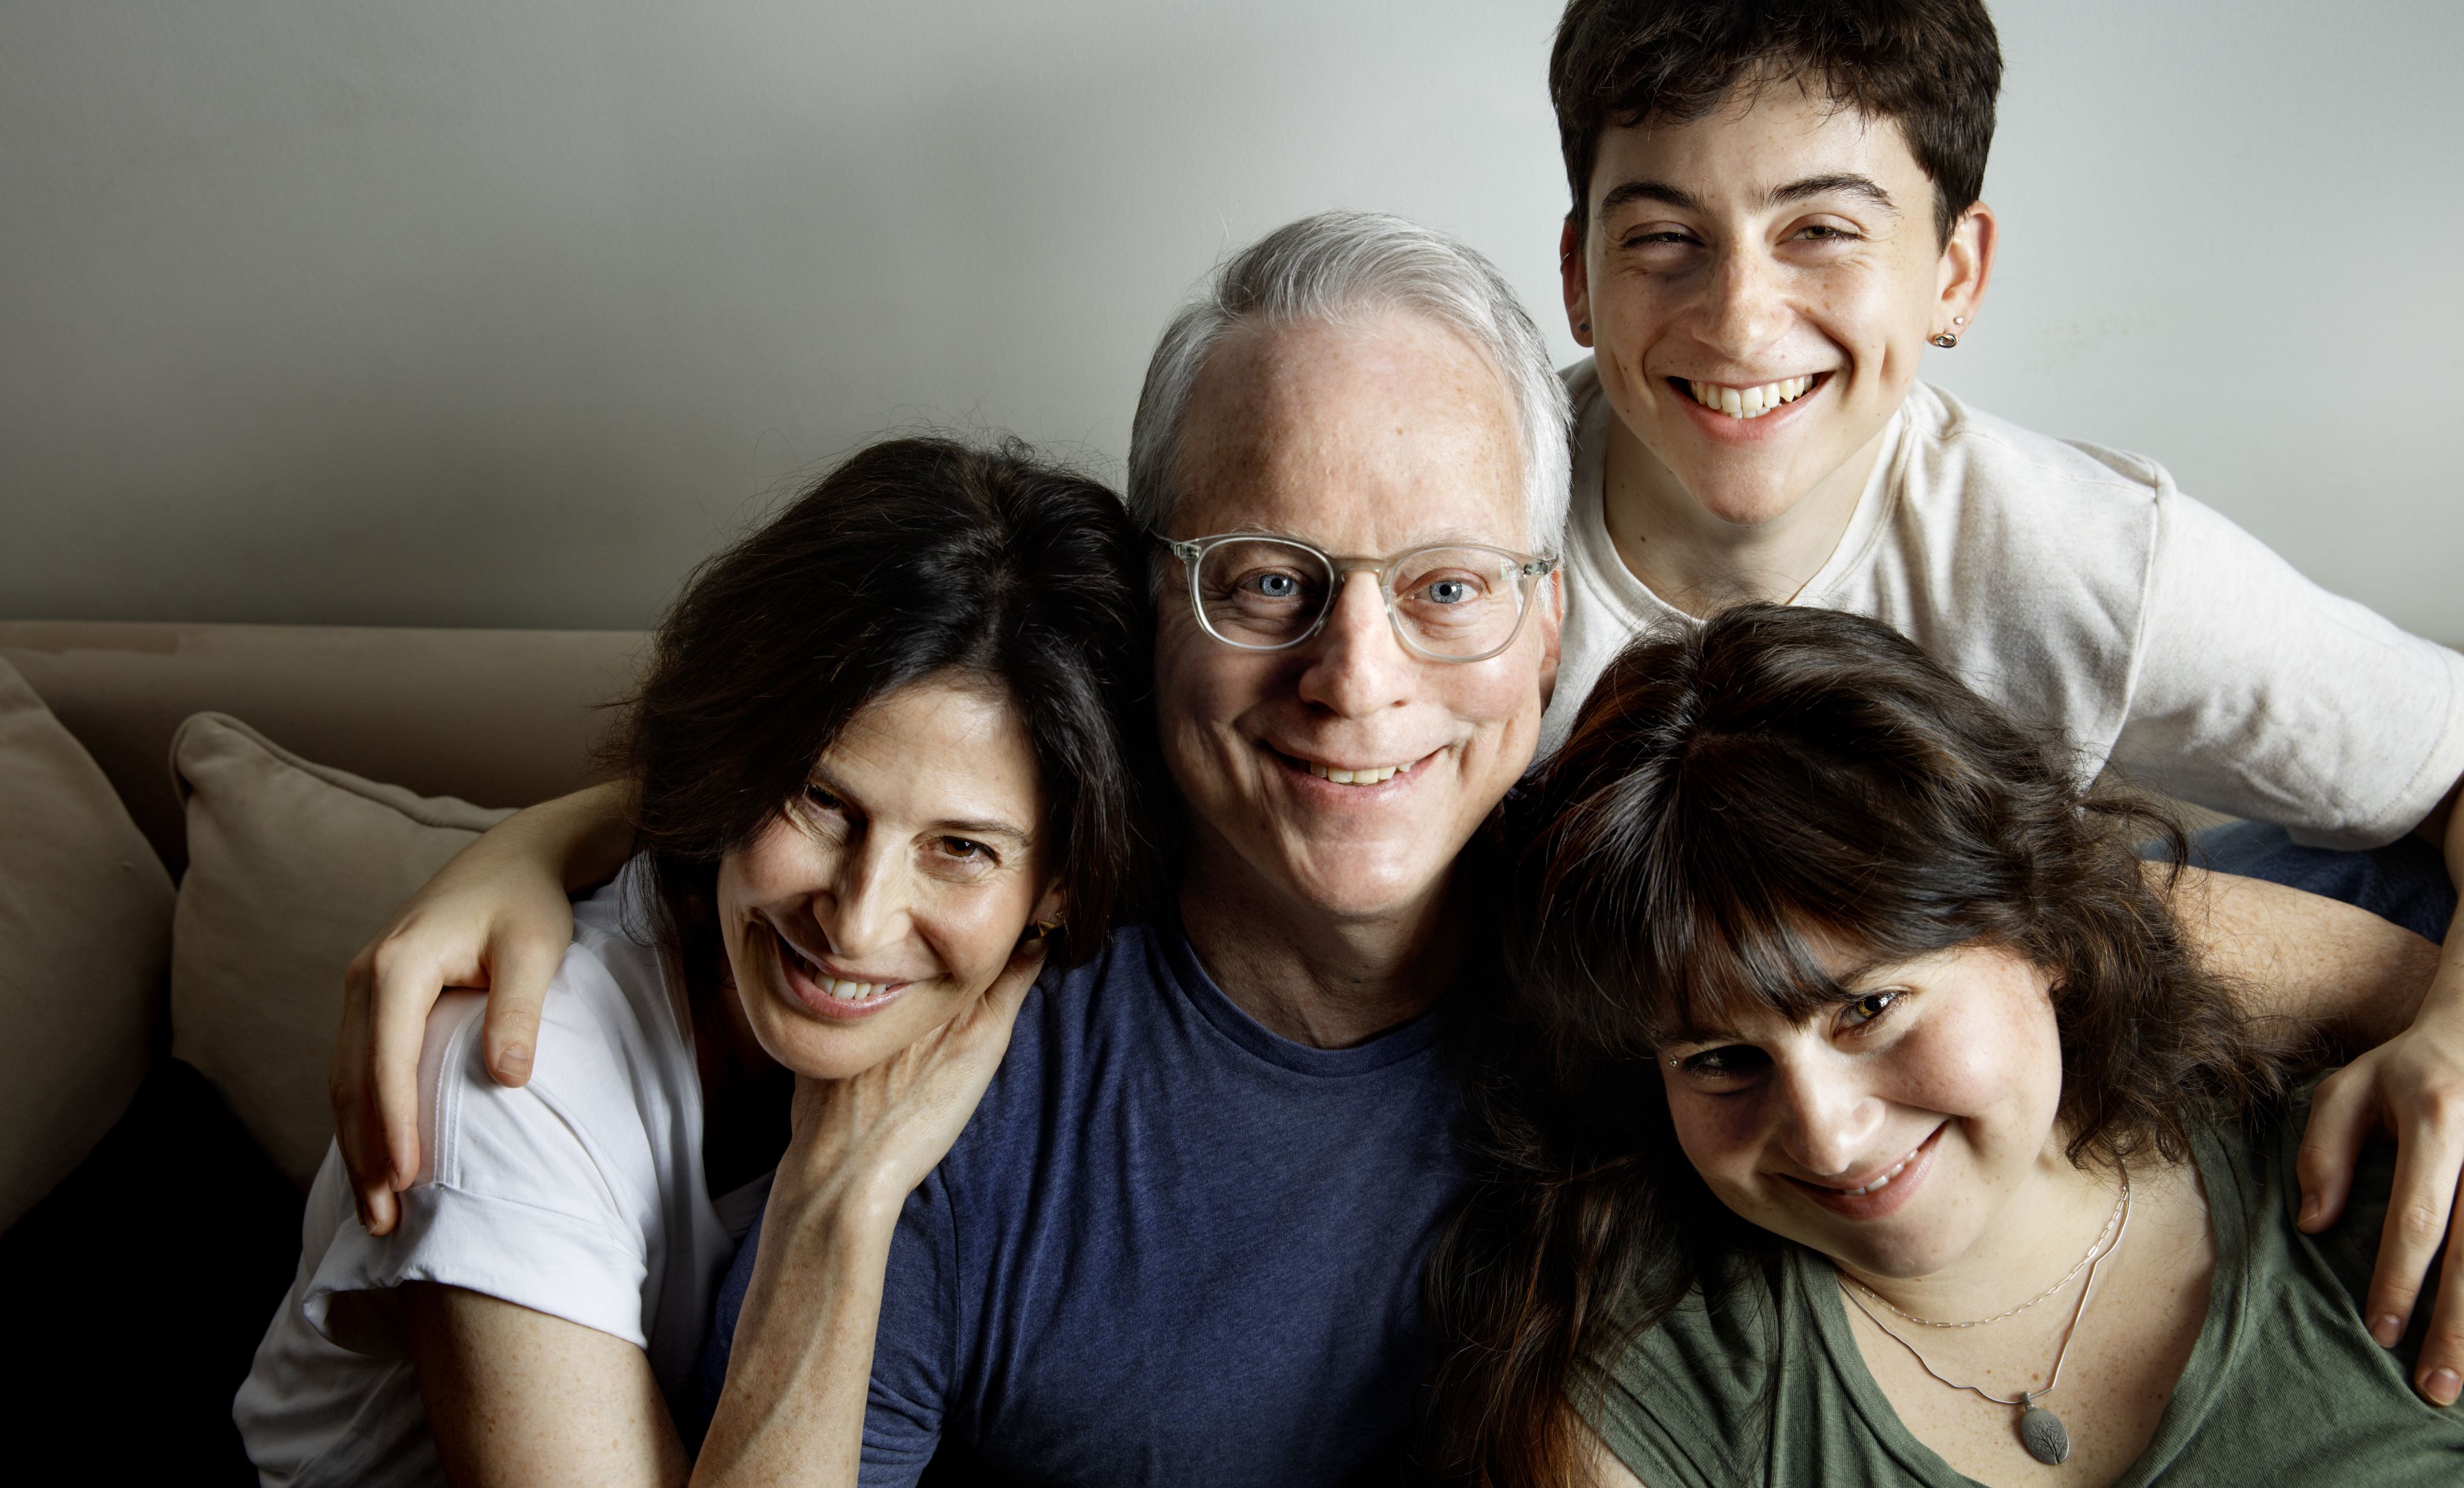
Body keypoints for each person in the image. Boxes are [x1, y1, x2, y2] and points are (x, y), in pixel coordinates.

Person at [322, 215, 2437, 1483]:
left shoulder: (1641, 894)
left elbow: (2125, 955)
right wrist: (837, 1182)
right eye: (1265, 581)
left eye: (1443, 586)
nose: (1357, 681)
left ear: (1542, 620)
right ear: (1144, 602)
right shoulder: (967, 1026)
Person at [1538, 0, 2464, 1391]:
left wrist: (2449, 1030)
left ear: (1954, 270)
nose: (1737, 318)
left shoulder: (2069, 553)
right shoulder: (1467, 540)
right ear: (1575, 269)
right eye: (1663, 239)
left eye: (1821, 231)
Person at [235, 435, 1162, 1486]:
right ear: (733, 766)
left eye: (960, 849)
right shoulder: (511, 1073)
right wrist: (839, 1200)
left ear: (1059, 890)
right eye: (820, 801)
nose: (858, 923)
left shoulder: (1066, 998)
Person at [1427, 603, 2464, 1486]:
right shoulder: (1660, 1406)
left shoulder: (2387, 1191)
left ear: (2043, 931)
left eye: (1870, 1011)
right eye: (1721, 1061)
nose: (1826, 1140)